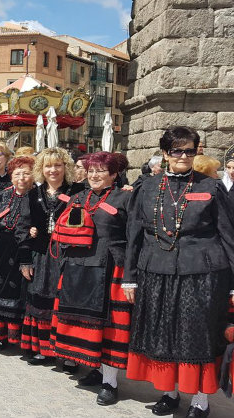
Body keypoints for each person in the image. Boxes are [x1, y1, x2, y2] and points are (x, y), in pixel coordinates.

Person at [124, 127, 234, 418]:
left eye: (189, 150)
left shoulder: (212, 187)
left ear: (196, 152)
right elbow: (134, 234)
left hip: (202, 273)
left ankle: (200, 400)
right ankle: (169, 393)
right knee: (163, 334)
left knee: (196, 335)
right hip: (155, 271)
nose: (183, 156)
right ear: (165, 153)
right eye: (177, 150)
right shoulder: (147, 186)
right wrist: (129, 278)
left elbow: (228, 235)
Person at [48, 152, 132, 405]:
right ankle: (96, 369)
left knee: (109, 328)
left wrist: (131, 274)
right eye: (91, 170)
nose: (94, 175)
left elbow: (134, 237)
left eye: (100, 171)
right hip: (78, 267)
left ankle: (110, 382)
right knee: (85, 323)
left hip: (110, 267)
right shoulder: (78, 197)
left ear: (114, 174)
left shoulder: (125, 198)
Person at [21, 148, 83, 366]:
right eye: (48, 166)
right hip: (40, 255)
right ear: (41, 168)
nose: (53, 170)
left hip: (68, 255)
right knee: (40, 300)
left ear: (65, 167)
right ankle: (43, 350)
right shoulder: (33, 194)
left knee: (66, 302)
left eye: (57, 165)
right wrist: (25, 260)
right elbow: (24, 227)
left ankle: (68, 355)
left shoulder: (78, 191)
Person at [0, 156, 36, 352]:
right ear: (11, 176)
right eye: (17, 173)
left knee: (18, 293)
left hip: (23, 249)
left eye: (26, 173)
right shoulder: (2, 195)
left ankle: (17, 337)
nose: (21, 178)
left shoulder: (37, 197)